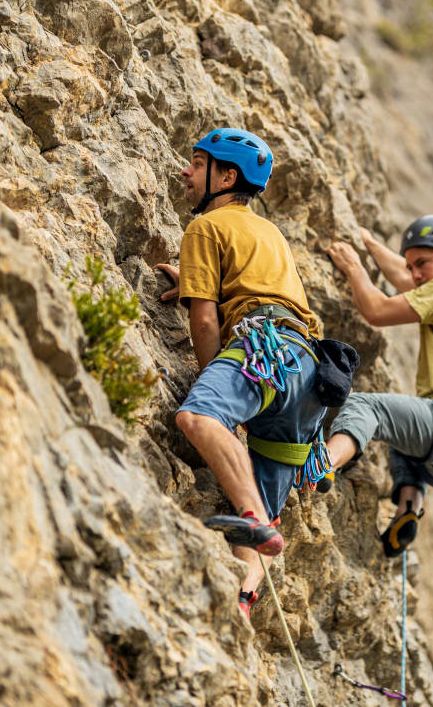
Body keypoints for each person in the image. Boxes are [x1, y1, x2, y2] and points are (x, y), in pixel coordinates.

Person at [155, 128, 326, 619]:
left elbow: (205, 321)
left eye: (196, 163)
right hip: (308, 376)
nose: (184, 172)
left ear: (226, 175)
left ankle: (255, 520)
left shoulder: (205, 228)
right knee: (252, 527)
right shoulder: (269, 233)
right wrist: (194, 281)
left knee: (201, 418)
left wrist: (218, 396)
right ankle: (245, 596)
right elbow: (255, 286)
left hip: (260, 349)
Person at [323, 216, 433, 557]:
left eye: (423, 263)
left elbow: (376, 310)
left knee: (367, 408)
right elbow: (407, 280)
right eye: (411, 264)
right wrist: (372, 244)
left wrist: (354, 266)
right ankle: (408, 510)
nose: (415, 274)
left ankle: (325, 463)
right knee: (403, 441)